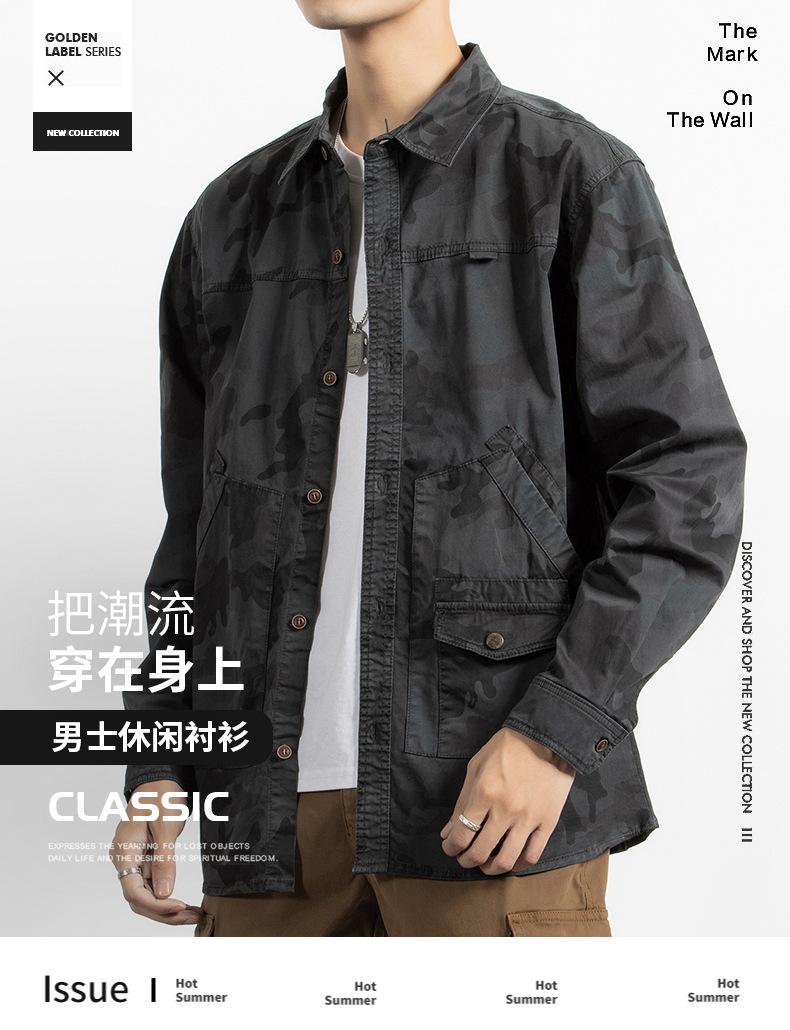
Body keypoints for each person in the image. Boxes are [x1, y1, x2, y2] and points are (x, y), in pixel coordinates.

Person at [111, 0, 746, 936]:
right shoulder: (231, 217)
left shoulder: (567, 174)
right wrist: (162, 759)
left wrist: (557, 732)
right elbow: (198, 534)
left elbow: (688, 478)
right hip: (265, 823)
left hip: (489, 807)